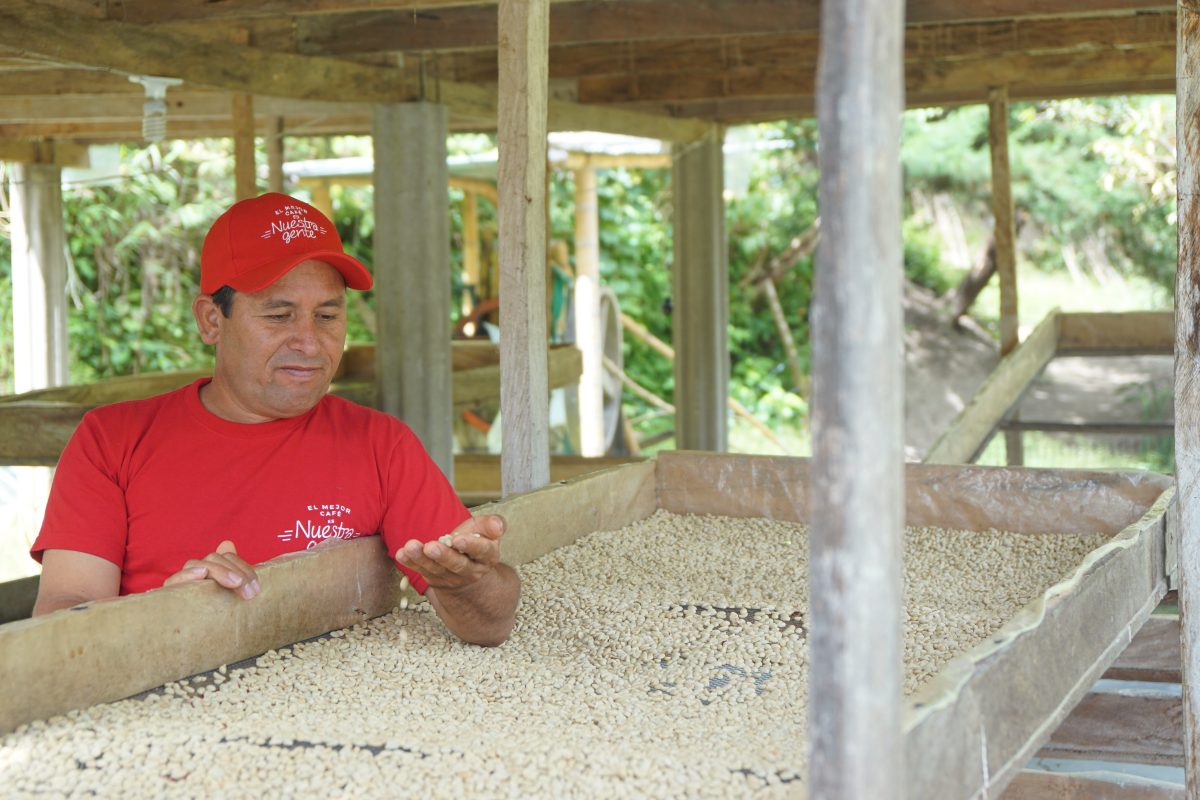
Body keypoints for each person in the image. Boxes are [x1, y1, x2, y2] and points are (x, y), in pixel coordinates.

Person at [30, 192, 520, 646]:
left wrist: (468, 582)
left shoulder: (379, 443)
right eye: (279, 316)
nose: (309, 342)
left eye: (327, 317)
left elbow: (492, 623)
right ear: (211, 320)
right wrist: (166, 614)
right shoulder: (112, 440)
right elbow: (59, 620)